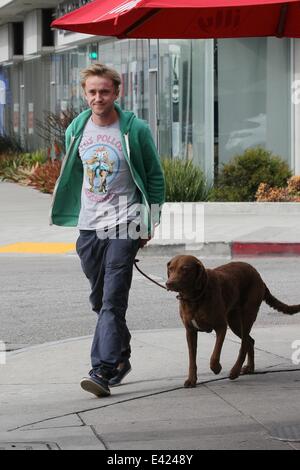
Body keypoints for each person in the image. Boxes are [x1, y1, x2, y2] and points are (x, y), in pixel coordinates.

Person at [50, 63, 165, 397]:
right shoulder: (76, 128)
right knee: (101, 300)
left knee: (114, 299)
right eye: (92, 92)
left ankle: (101, 369)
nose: (98, 98)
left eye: (104, 91)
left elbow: (155, 177)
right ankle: (121, 357)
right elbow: (73, 172)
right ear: (85, 94)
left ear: (117, 92)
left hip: (125, 223)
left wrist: (150, 220)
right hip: (88, 226)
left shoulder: (134, 129)